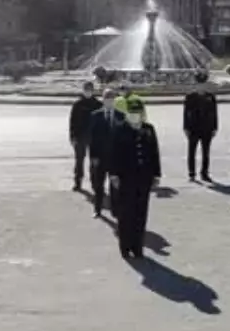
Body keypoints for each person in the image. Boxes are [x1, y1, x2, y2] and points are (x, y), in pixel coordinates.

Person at [108, 96, 161, 259]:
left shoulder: (148, 129)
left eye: (138, 112)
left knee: (140, 214)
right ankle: (125, 247)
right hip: (125, 178)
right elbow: (113, 154)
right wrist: (114, 174)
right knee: (126, 214)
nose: (135, 115)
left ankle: (138, 247)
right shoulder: (119, 129)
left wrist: (156, 174)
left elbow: (154, 153)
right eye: (132, 112)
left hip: (144, 179)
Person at [85, 87, 122, 218]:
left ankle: (116, 210)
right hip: (99, 157)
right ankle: (97, 209)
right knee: (98, 185)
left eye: (111, 98)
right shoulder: (95, 115)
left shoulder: (120, 115)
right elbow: (91, 138)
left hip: (115, 158)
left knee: (115, 186)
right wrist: (93, 156)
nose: (109, 101)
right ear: (103, 99)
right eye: (107, 98)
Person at [182, 71, 218, 182]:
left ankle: (204, 173)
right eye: (199, 84)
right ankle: (192, 173)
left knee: (206, 152)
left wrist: (215, 127)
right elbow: (185, 113)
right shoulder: (190, 97)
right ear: (196, 84)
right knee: (191, 151)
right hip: (193, 128)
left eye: (203, 84)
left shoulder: (210, 97)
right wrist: (185, 127)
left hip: (207, 128)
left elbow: (215, 113)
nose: (201, 86)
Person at [68, 81, 103, 191]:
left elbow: (102, 122)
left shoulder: (98, 104)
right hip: (80, 137)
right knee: (79, 161)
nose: (88, 92)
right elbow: (72, 122)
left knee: (94, 162)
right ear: (83, 90)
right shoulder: (77, 105)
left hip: (94, 138)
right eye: (86, 90)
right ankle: (78, 182)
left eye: (90, 90)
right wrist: (72, 136)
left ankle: (95, 183)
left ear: (93, 91)